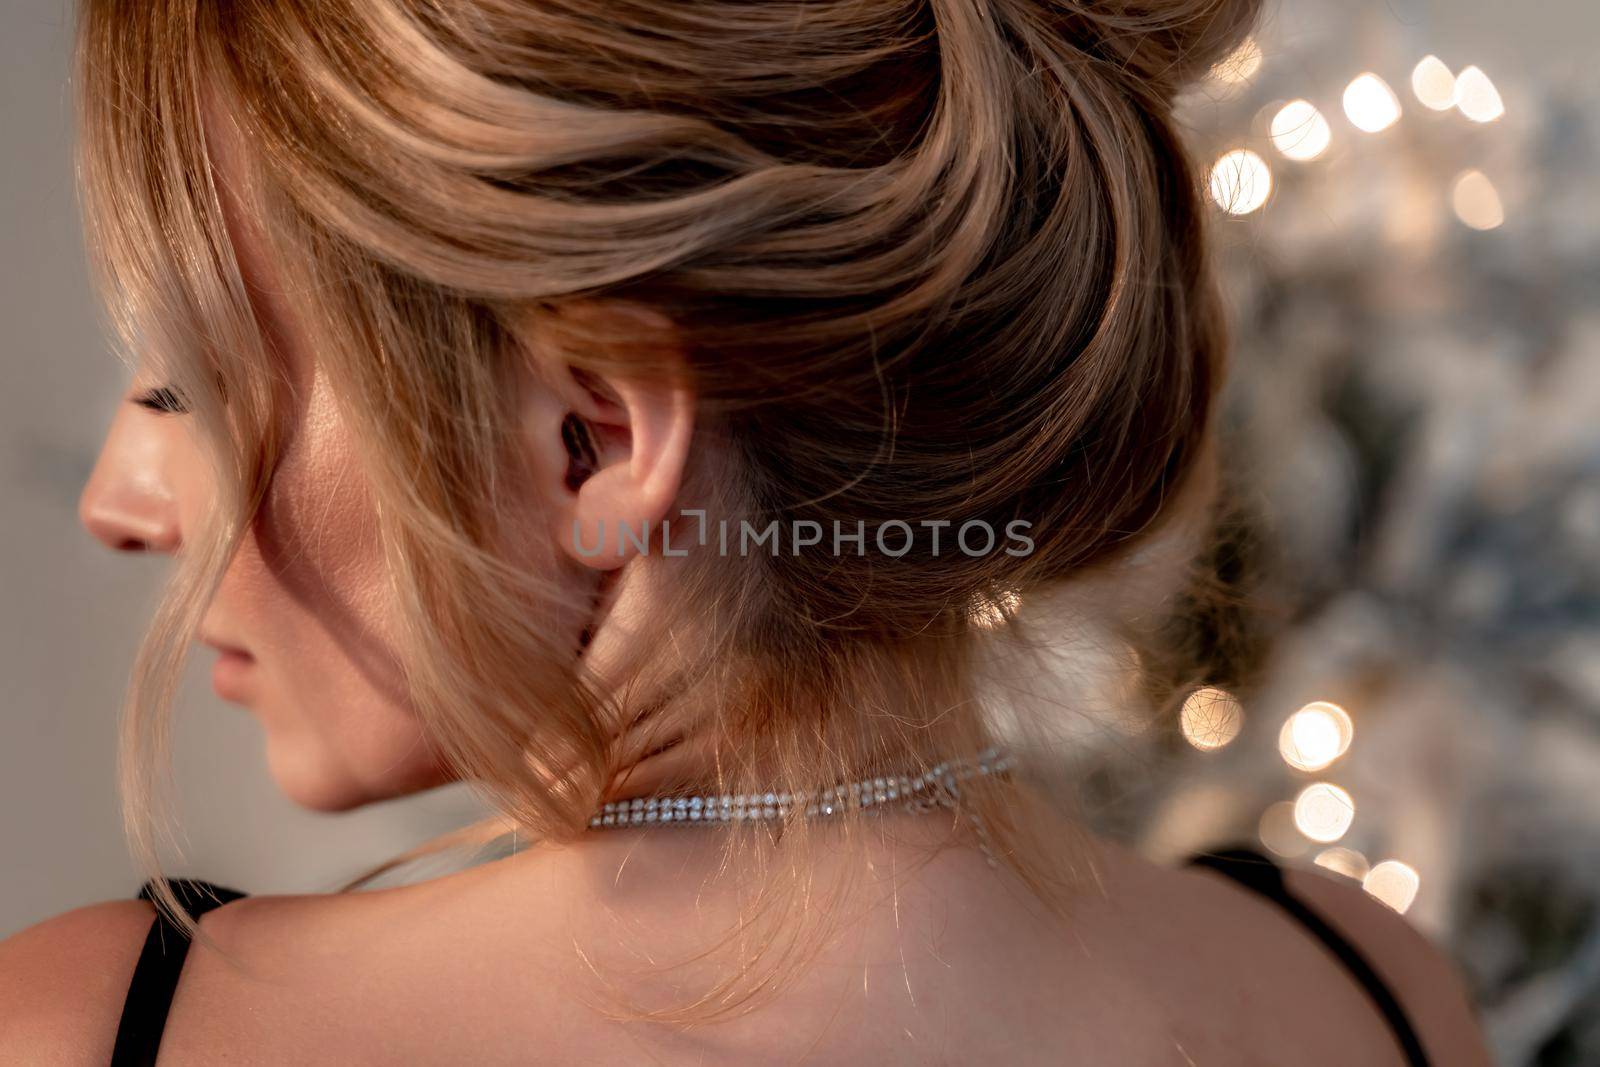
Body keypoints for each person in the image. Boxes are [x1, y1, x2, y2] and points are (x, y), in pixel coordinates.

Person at [1, 0, 1492, 1063]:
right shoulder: (1366, 991)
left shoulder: (98, 1030)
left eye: (183, 386)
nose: (121, 504)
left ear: (596, 440)